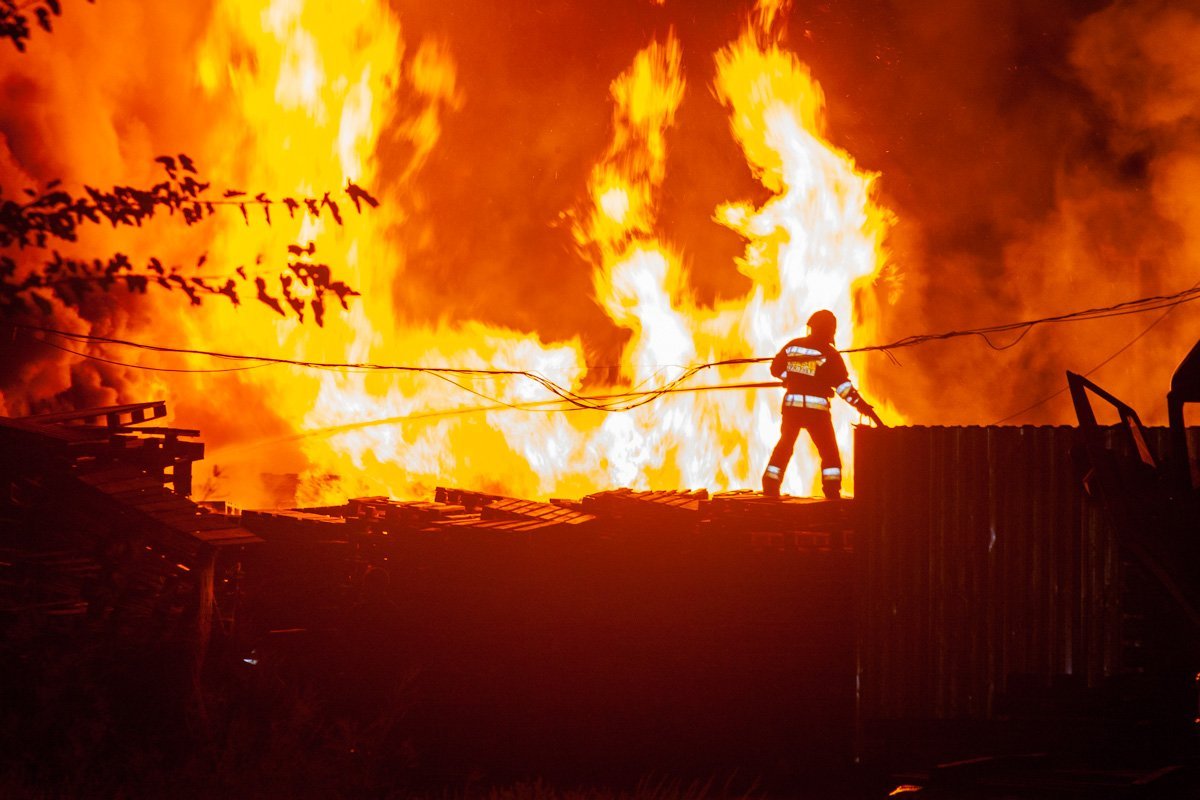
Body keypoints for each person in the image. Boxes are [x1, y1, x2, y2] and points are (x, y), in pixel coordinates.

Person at [762, 309, 882, 499]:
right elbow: (843, 387)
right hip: (815, 413)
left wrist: (789, 380)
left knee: (784, 447)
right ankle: (832, 491)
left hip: (792, 408)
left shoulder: (793, 346)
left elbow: (775, 369)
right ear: (829, 330)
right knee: (829, 453)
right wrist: (862, 406)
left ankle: (770, 485)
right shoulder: (829, 354)